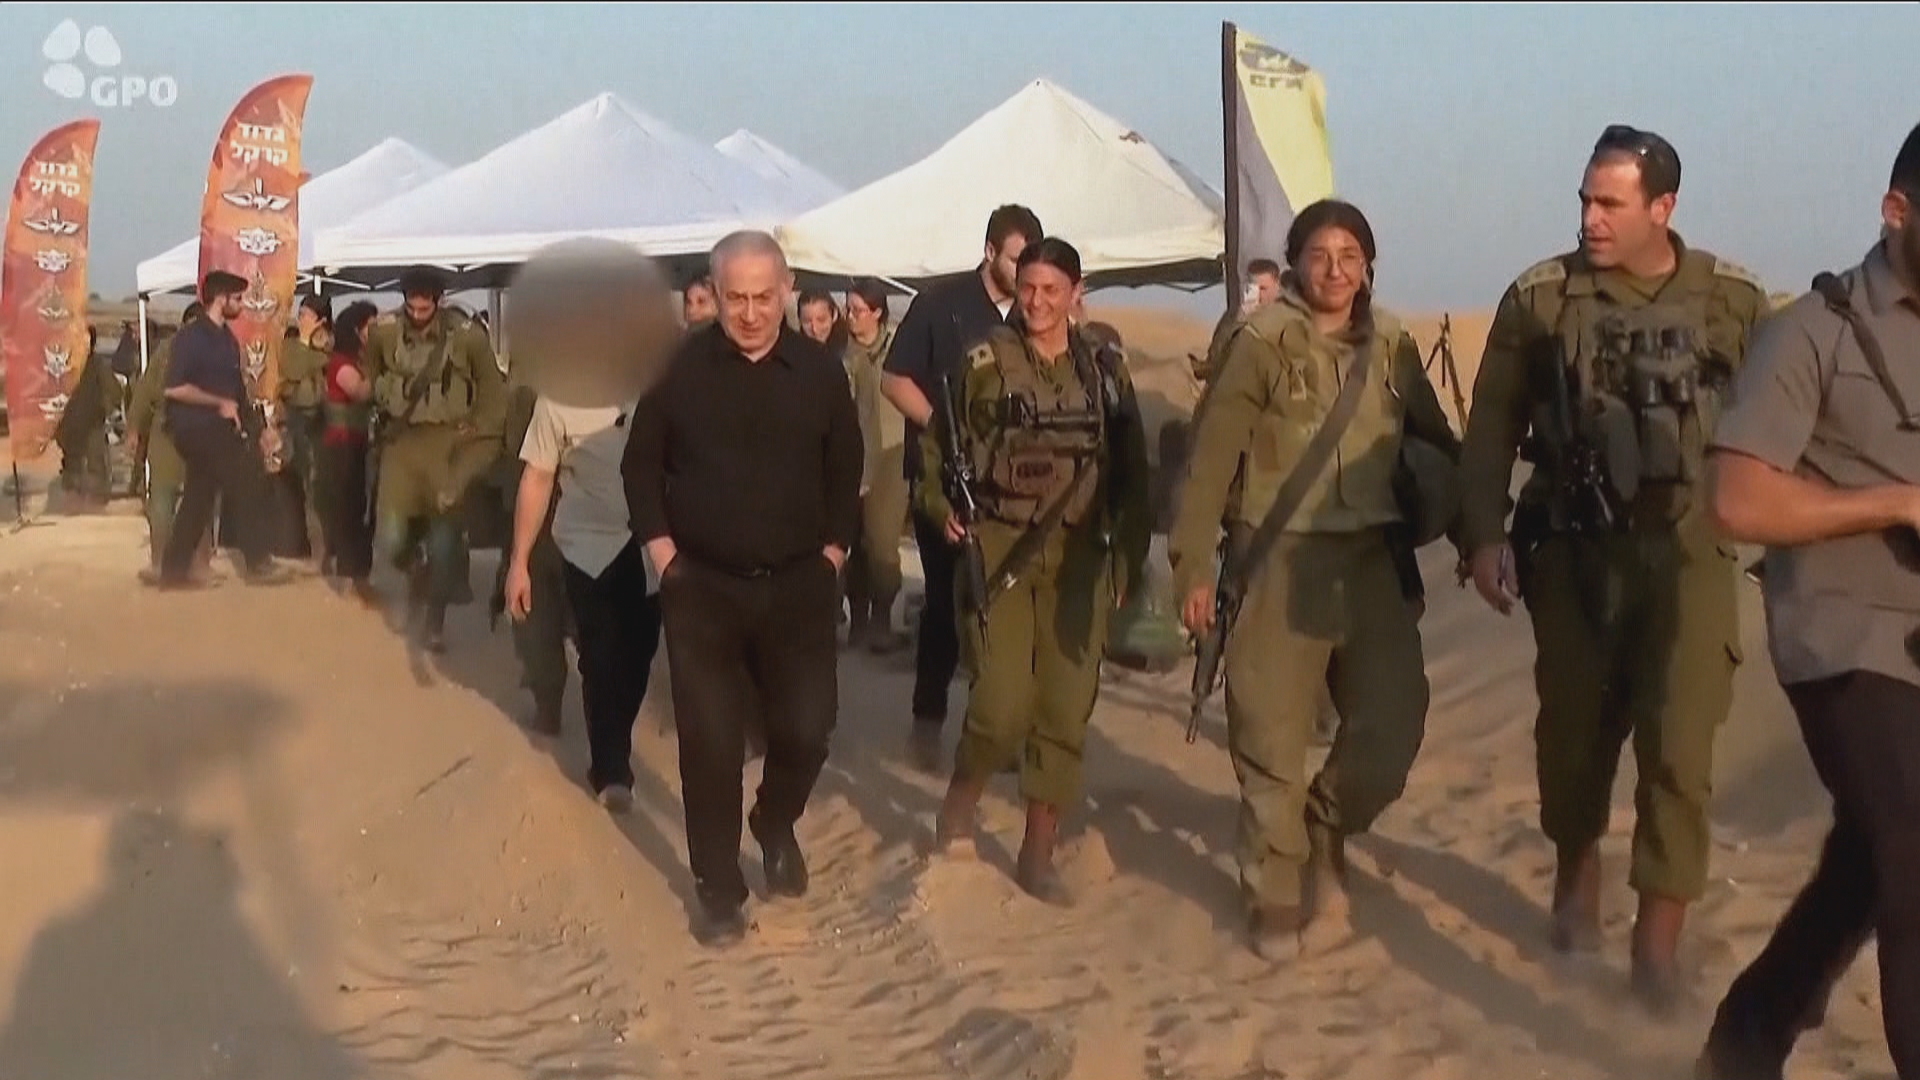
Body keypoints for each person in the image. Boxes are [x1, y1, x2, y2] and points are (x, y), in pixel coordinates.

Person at [1456, 124, 1771, 1012]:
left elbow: (1791, 412)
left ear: (1662, 207)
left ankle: (1656, 946)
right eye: (1585, 201)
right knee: (1573, 736)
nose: (1591, 219)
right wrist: (1482, 535)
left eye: (1611, 203)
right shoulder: (1541, 299)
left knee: (1681, 747)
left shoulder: (1736, 301)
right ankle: (1576, 868)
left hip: (1690, 552)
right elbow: (1490, 427)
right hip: (1573, 548)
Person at [1167, 200, 1462, 960]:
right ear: (1297, 261)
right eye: (1320, 255)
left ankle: (1324, 827)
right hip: (1276, 559)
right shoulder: (1261, 343)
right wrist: (1193, 566)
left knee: (1392, 726)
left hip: (1370, 562)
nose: (1335, 270)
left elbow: (1437, 446)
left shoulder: (1393, 345)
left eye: (1350, 256)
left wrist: (1478, 538)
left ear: (1368, 267)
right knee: (1270, 733)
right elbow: (1209, 462)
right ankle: (1273, 889)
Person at [1692, 122, 1920, 1080]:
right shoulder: (1812, 333)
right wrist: (1896, 504)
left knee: (1869, 863)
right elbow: (1736, 499)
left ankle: (1742, 1045)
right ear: (1897, 212)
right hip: (1844, 636)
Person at [622, 230, 863, 948]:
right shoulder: (676, 369)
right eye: (736, 299)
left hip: (798, 586)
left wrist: (833, 553)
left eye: (764, 297)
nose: (751, 313)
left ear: (787, 291)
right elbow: (640, 467)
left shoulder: (821, 373)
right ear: (715, 294)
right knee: (711, 745)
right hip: (702, 588)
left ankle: (775, 818)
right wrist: (665, 557)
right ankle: (719, 890)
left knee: (808, 727)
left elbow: (845, 469)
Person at [921, 236, 1152, 906]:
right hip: (1000, 550)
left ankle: (1037, 852)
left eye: (1052, 290)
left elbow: (1133, 470)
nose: (1038, 302)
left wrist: (1129, 555)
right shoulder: (982, 364)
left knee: (1065, 709)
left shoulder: (1105, 369)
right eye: (1027, 288)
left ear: (1077, 293)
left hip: (1080, 557)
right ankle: (960, 802)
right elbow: (936, 453)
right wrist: (941, 509)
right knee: (999, 707)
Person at [880, 203, 1045, 773]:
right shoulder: (940, 305)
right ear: (990, 252)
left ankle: (995, 730)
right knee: (948, 605)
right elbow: (895, 379)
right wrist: (941, 428)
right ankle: (927, 722)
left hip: (1010, 482)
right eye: (1016, 260)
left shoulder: (1032, 313)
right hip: (944, 480)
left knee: (1004, 608)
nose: (1025, 274)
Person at [507, 382, 663, 811]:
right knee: (601, 654)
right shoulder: (558, 398)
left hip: (653, 545)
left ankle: (616, 734)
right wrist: (519, 562)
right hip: (588, 545)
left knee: (639, 653)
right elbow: (538, 476)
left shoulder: (661, 384)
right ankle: (611, 767)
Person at [361, 267, 507, 652]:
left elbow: (493, 400)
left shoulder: (468, 338)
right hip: (402, 445)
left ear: (439, 300)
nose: (418, 309)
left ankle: (435, 622)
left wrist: (475, 439)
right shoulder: (384, 333)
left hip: (448, 446)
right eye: (412, 301)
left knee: (444, 544)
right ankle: (414, 566)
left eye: (425, 302)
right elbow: (370, 377)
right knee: (391, 538)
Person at [145, 271, 292, 589]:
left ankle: (173, 571)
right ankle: (258, 562)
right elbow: (174, 388)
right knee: (247, 479)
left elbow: (238, 395)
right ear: (220, 298)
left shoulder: (227, 340)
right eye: (237, 299)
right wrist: (217, 402)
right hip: (196, 429)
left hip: (218, 429)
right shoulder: (190, 338)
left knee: (198, 500)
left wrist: (262, 429)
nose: (241, 304)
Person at [493, 379, 572, 735]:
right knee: (536, 615)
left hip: (588, 516)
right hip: (541, 515)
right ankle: (547, 702)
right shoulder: (526, 390)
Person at [842, 278, 911, 654]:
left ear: (877, 313)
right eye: (848, 309)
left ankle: (881, 619)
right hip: (852, 453)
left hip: (892, 452)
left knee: (882, 541)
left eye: (858, 310)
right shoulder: (843, 352)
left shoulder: (898, 348)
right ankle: (858, 619)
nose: (851, 317)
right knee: (852, 540)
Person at [128, 303, 207, 577]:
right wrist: (134, 428)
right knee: (176, 498)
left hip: (180, 431)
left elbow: (144, 391)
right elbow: (145, 392)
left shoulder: (167, 350)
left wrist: (134, 429)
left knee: (175, 497)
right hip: (183, 431)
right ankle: (185, 563)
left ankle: (171, 563)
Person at [317, 300, 380, 606]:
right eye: (370, 326)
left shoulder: (355, 361)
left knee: (358, 508)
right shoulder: (341, 363)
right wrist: (380, 370)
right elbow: (361, 392)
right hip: (341, 446)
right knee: (347, 509)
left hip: (357, 443)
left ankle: (356, 573)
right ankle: (347, 573)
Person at [278, 293, 334, 564]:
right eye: (300, 314)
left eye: (307, 316)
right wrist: (304, 341)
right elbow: (293, 369)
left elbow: (328, 366)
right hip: (296, 421)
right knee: (297, 488)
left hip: (324, 422)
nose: (301, 320)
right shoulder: (290, 345)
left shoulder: (330, 347)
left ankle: (325, 549)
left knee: (321, 491)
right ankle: (305, 547)